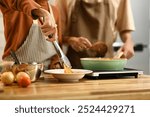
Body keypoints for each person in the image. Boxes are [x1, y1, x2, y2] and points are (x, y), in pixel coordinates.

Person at [56, 0, 135, 68]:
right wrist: (70, 40)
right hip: (76, 68)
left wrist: (128, 42)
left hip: (108, 66)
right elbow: (57, 35)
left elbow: (125, 29)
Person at [0, 0, 62, 69]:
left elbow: (58, 48)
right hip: (17, 70)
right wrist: (42, 12)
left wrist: (56, 62)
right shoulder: (17, 6)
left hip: (47, 73)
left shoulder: (55, 11)